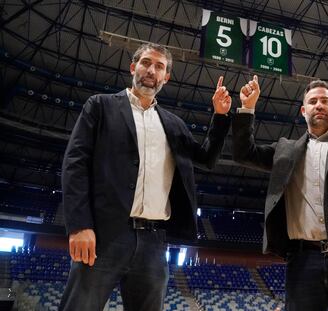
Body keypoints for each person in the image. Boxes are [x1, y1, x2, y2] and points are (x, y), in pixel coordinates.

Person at [59, 42, 232, 311]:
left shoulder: (174, 124)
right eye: (146, 63)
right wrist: (80, 225)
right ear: (133, 67)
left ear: (166, 77)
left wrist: (220, 117)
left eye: (159, 66)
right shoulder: (101, 106)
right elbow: (75, 164)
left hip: (154, 241)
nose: (152, 70)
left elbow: (207, 159)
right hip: (105, 235)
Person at [232, 76, 328, 310]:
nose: (319, 105)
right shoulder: (285, 151)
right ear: (303, 110)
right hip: (302, 260)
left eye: (325, 101)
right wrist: (247, 108)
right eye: (313, 101)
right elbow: (243, 154)